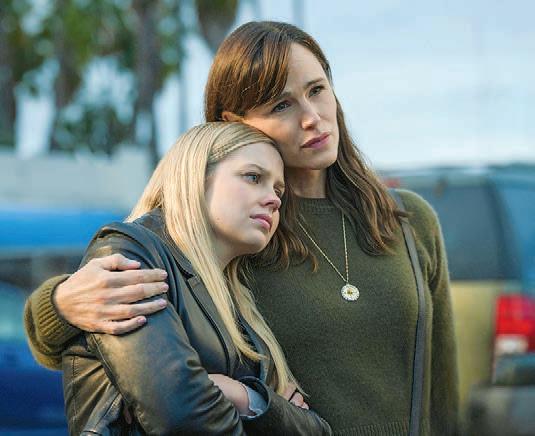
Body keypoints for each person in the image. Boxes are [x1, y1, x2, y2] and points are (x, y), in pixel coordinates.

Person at [25, 21, 458, 435]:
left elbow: (442, 392)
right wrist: (59, 303)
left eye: (317, 90)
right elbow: (134, 270)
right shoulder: (234, 231)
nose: (312, 117)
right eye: (282, 105)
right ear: (235, 123)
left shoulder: (409, 220)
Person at [33, 121, 332, 435]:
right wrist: (268, 409)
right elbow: (180, 414)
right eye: (253, 177)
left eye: (278, 190)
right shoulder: (130, 252)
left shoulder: (241, 299)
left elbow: (316, 430)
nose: (274, 199)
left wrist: (242, 396)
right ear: (196, 177)